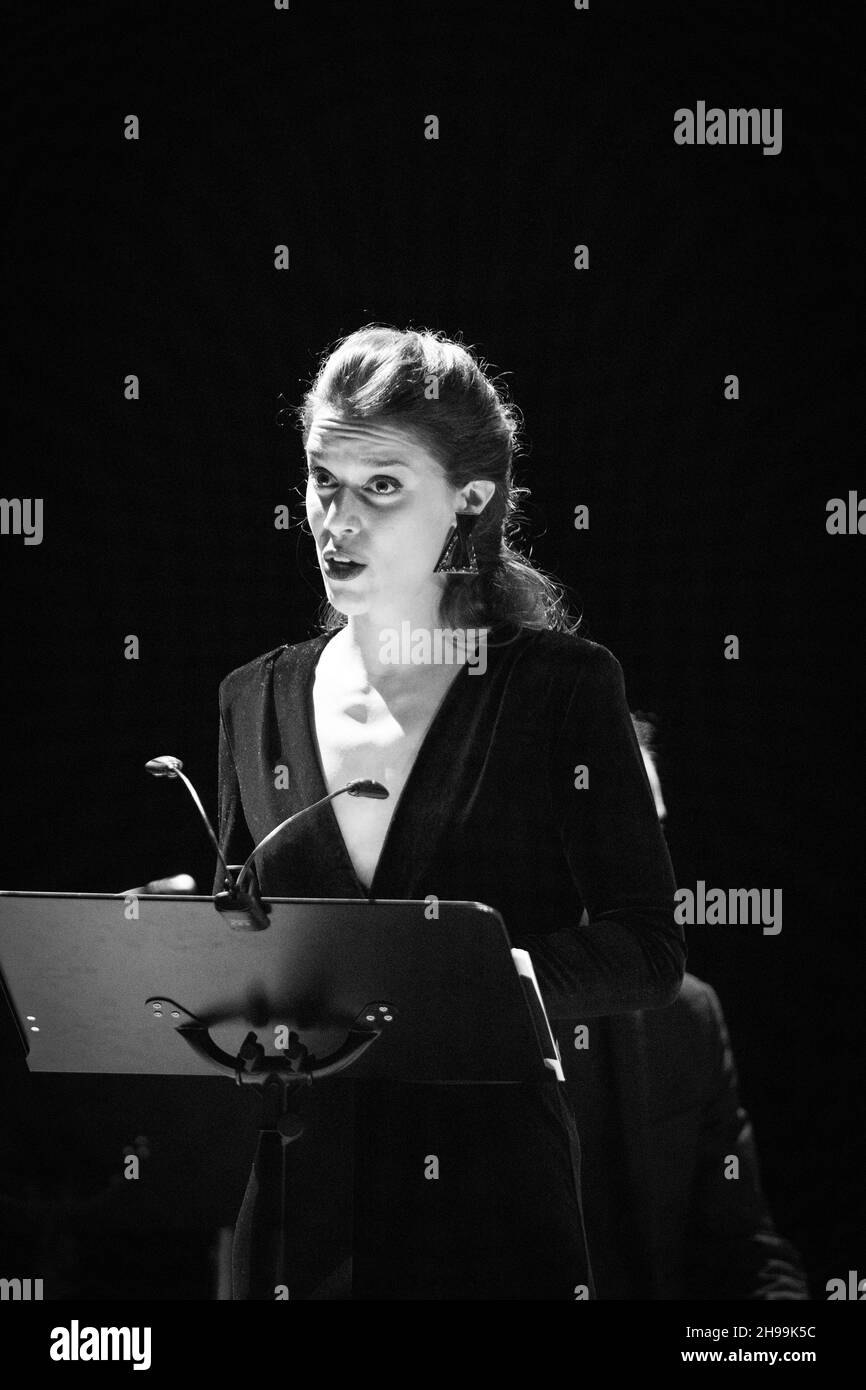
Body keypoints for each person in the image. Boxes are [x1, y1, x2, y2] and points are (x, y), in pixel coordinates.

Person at [214, 323, 685, 1300]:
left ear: (469, 499)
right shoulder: (250, 696)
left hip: (488, 1211)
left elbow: (644, 947)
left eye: (379, 485)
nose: (335, 522)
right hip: (294, 1217)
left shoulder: (560, 688)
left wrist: (479, 977)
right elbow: (240, 935)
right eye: (321, 480)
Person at [555, 719, 809, 1299]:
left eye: (654, 835)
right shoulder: (444, 1002)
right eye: (613, 829)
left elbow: (743, 1250)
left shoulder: (687, 1014)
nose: (646, 869)